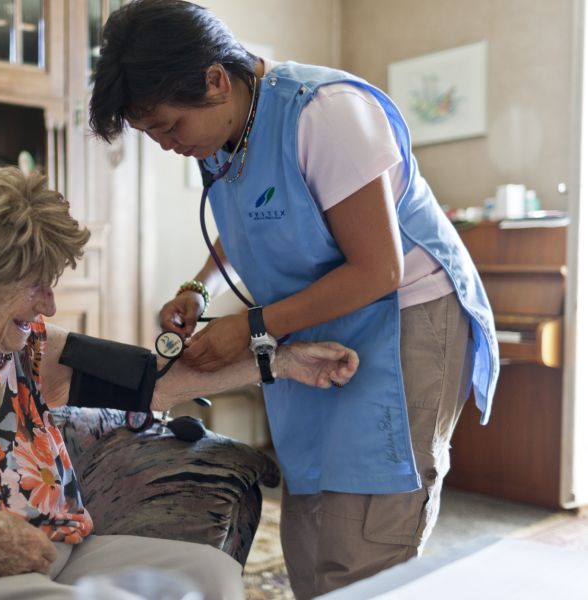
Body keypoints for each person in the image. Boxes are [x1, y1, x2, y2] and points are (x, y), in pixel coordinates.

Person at [0, 165, 359, 600]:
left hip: (58, 552)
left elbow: (148, 382)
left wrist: (281, 363)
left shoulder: (22, 344)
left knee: (210, 576)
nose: (50, 304)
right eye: (35, 285)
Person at [88, 1, 499, 598]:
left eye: (170, 127)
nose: (168, 145)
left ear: (215, 80)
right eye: (153, 135)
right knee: (310, 518)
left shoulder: (326, 116)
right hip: (315, 315)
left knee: (366, 531)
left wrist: (251, 326)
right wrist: (200, 286)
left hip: (403, 311)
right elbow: (256, 217)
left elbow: (379, 268)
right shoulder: (225, 133)